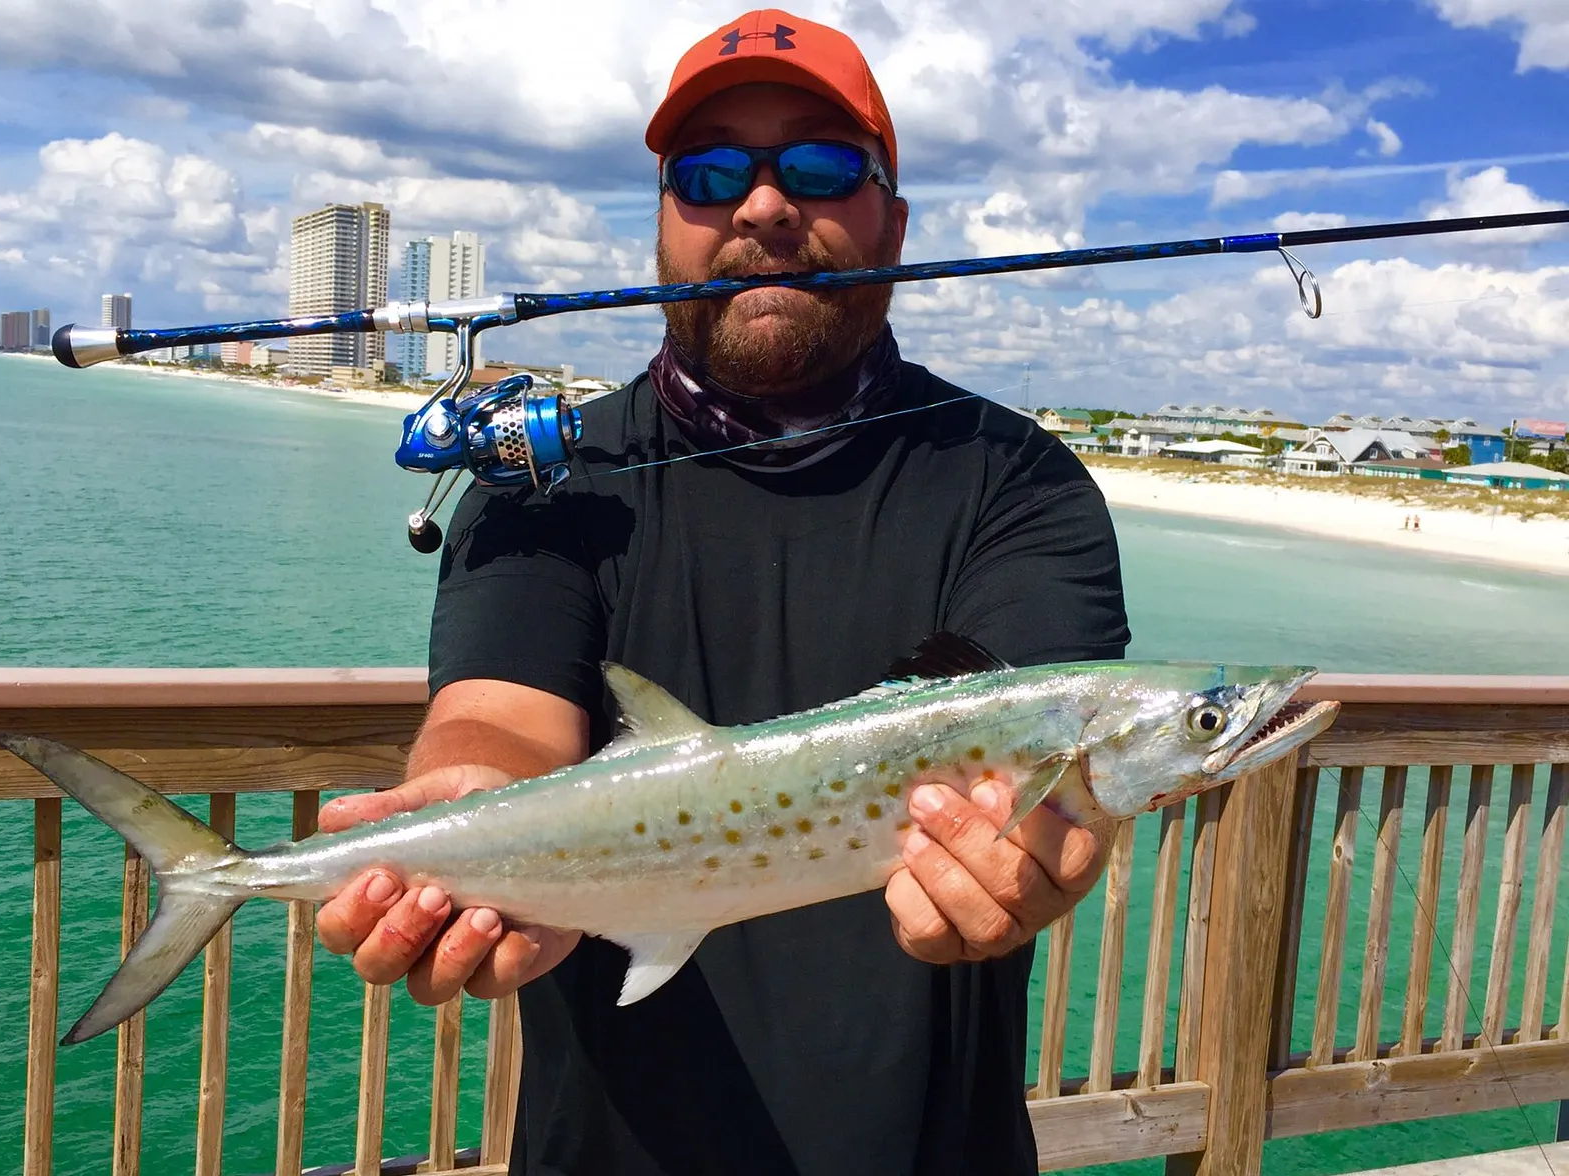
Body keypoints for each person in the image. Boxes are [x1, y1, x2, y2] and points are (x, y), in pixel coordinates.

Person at [314, 10, 1131, 1175]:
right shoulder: (548, 481)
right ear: (662, 222)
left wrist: (1024, 858)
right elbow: (497, 717)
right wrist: (479, 823)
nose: (761, 208)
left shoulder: (1020, 486)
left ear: (892, 221)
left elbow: (1029, 746)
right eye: (707, 173)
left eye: (819, 166)